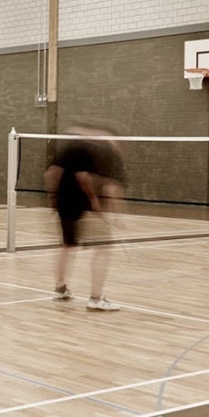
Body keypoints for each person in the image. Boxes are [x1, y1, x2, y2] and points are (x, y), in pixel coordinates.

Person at [45, 124, 127, 311]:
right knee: (104, 248)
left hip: (64, 204)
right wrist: (101, 205)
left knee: (67, 246)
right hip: (85, 207)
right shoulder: (103, 152)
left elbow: (50, 173)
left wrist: (53, 198)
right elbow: (103, 184)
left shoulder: (70, 147)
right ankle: (96, 298)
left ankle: (60, 289)